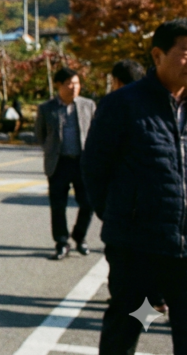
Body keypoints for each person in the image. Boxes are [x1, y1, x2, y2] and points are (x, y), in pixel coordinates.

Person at [83, 19, 187, 354]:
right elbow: (95, 170)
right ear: (157, 55)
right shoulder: (123, 104)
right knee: (128, 327)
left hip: (185, 250)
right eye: (185, 52)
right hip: (138, 249)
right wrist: (123, 217)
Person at [34, 67, 96, 261]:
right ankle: (61, 242)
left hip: (83, 163)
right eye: (69, 83)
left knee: (89, 202)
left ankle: (79, 235)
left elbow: (96, 131)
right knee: (58, 206)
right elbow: (40, 134)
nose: (73, 87)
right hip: (58, 163)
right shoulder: (46, 108)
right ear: (59, 85)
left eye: (76, 83)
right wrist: (51, 150)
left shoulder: (88, 105)